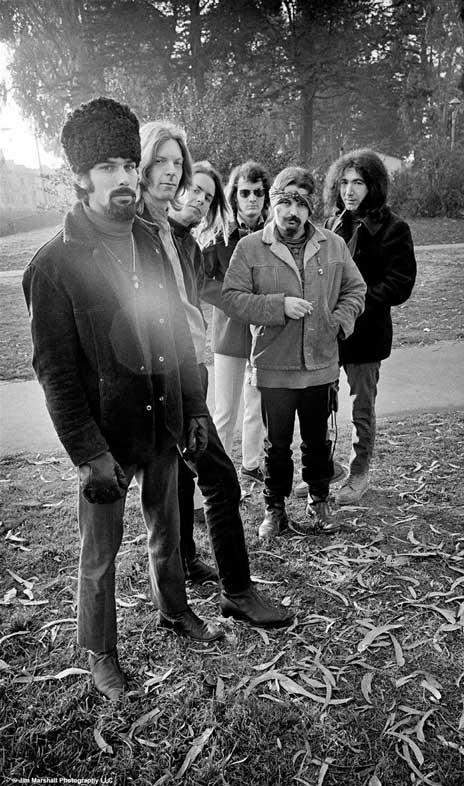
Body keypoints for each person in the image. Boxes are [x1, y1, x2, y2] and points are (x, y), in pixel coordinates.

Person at [22, 98, 223, 702]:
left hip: (162, 419)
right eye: (109, 167)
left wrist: (191, 409)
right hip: (104, 438)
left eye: (129, 165)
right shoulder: (53, 267)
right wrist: (87, 452)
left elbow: (176, 336)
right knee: (100, 553)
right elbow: (54, 373)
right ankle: (100, 652)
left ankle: (173, 608)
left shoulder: (150, 242)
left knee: (170, 525)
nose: (127, 179)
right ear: (81, 177)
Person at [138, 120, 293, 622]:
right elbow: (211, 301)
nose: (200, 200)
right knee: (221, 478)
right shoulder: (150, 236)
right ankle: (237, 590)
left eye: (206, 194)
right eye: (195, 190)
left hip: (191, 366)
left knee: (186, 476)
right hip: (170, 375)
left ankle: (186, 557)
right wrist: (275, 306)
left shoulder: (182, 242)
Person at [222, 166, 367, 540]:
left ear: (310, 208)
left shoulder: (332, 244)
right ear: (273, 203)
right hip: (274, 365)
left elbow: (356, 290)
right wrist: (277, 306)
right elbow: (232, 298)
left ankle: (319, 500)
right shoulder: (250, 247)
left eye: (300, 204)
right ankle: (275, 509)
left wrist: (339, 320)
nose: (291, 212)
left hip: (320, 364)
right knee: (277, 445)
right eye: (284, 202)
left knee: (318, 441)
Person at [321, 149, 417, 504]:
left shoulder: (394, 228)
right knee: (323, 402)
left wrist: (357, 303)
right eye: (343, 182)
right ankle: (325, 469)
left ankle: (359, 473)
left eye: (358, 182)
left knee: (362, 406)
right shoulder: (333, 224)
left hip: (366, 333)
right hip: (332, 333)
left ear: (373, 185)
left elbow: (400, 283)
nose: (349, 190)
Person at [202, 161, 268, 482]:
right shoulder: (219, 235)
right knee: (225, 411)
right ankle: (220, 474)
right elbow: (200, 280)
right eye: (245, 193)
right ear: (234, 196)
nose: (252, 199)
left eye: (258, 192)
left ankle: (251, 464)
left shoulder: (273, 234)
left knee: (256, 405)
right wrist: (232, 299)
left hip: (264, 334)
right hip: (229, 333)